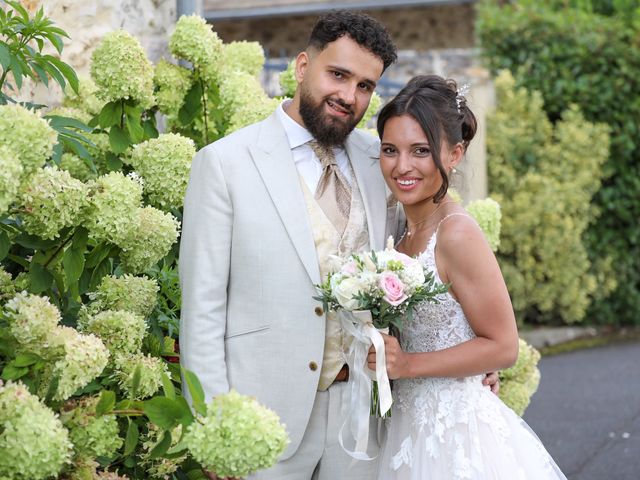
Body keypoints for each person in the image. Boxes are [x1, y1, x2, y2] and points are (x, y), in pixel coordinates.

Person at [179, 10, 499, 479]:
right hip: (261, 417)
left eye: (365, 86)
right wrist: (214, 429)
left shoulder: (383, 161)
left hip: (364, 421)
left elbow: (419, 265)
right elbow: (202, 311)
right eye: (338, 75)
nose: (349, 96)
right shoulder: (225, 164)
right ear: (303, 66)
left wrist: (474, 360)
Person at [369, 75, 567, 479]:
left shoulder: (456, 232)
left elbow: (503, 345)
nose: (401, 166)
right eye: (390, 150)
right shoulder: (396, 228)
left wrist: (407, 364)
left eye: (421, 151)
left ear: (455, 153)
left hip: (455, 433)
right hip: (405, 427)